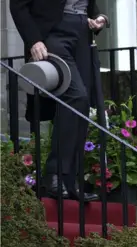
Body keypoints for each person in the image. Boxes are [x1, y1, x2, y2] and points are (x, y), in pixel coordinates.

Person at [10, 0, 110, 201]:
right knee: (76, 96)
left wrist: (99, 18)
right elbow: (18, 5)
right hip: (52, 34)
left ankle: (70, 181)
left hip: (82, 31)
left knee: (81, 104)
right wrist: (34, 40)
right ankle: (54, 174)